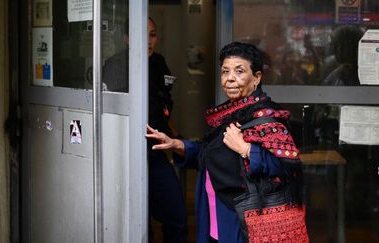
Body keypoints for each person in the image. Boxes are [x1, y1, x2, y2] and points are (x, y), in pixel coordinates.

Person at [146, 42, 307, 243]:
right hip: (216, 214)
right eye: (225, 71)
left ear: (256, 77)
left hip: (242, 221)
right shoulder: (229, 116)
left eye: (239, 71)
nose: (230, 78)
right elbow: (212, 154)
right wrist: (177, 144)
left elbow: (287, 166)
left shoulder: (266, 119)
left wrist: (246, 149)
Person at [103, 18, 188, 243]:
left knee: (177, 218)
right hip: (127, 153)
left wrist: (176, 139)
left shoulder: (159, 63)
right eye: (142, 34)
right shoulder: (116, 65)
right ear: (127, 39)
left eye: (152, 34)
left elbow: (164, 108)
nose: (148, 41)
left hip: (156, 152)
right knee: (138, 223)